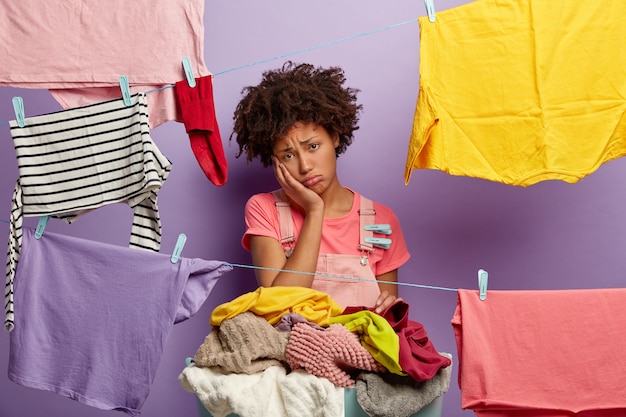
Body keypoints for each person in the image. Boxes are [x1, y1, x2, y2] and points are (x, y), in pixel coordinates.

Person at [230, 61, 410, 314]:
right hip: (288, 349)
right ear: (274, 160)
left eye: (313, 146)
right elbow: (278, 304)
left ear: (334, 137)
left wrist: (389, 307)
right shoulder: (264, 209)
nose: (305, 166)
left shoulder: (381, 219)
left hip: (358, 350)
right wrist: (314, 210)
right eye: (288, 155)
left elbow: (386, 322)